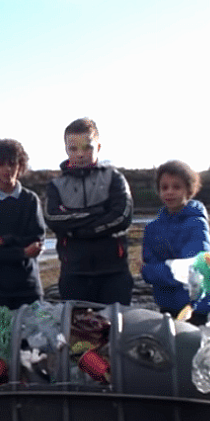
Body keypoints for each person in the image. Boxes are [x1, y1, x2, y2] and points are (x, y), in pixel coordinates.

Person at [45, 117, 134, 305]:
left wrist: (78, 229)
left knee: (115, 333)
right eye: (73, 149)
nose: (80, 154)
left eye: (87, 147)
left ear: (99, 147)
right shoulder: (56, 185)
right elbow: (53, 218)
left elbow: (122, 217)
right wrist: (98, 213)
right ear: (66, 149)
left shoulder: (114, 178)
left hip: (114, 275)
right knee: (78, 333)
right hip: (73, 275)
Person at [0, 139, 47, 310]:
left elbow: (35, 242)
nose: (7, 169)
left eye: (12, 164)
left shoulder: (30, 200)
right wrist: (22, 252)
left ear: (20, 166)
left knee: (34, 337)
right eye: (1, 164)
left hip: (29, 289)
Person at [141, 160, 210, 325]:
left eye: (176, 187)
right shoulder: (152, 229)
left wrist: (153, 272)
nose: (170, 192)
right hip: (166, 305)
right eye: (164, 187)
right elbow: (148, 264)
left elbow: (192, 268)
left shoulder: (196, 223)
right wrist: (152, 271)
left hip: (195, 307)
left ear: (188, 190)